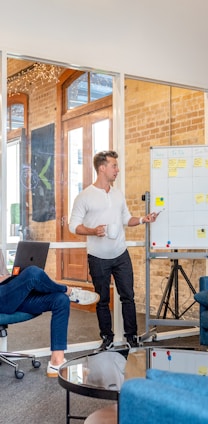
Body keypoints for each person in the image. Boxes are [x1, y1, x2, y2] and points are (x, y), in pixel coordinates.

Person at [69, 150, 158, 352]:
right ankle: (107, 338)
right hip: (98, 257)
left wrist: (143, 219)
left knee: (128, 296)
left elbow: (127, 219)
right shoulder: (85, 196)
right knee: (102, 299)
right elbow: (73, 226)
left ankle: (131, 337)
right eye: (114, 166)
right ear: (102, 168)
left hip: (120, 254)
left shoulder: (117, 194)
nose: (117, 170)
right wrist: (93, 230)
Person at [0, 251, 99, 377]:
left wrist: (15, 277)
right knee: (33, 273)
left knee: (60, 300)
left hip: (9, 296)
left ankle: (56, 361)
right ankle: (69, 290)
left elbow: (4, 276)